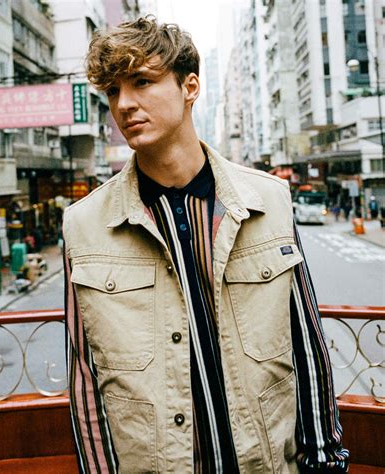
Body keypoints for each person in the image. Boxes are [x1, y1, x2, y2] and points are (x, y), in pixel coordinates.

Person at [62, 17, 348, 473]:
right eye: (113, 91)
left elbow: (307, 346)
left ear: (189, 87)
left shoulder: (267, 199)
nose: (124, 104)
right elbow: (85, 379)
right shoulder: (84, 224)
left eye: (141, 82)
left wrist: (325, 461)